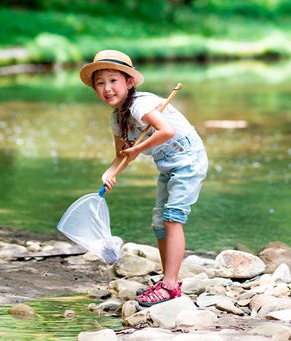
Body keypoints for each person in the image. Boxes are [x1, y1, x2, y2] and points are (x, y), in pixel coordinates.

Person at [79, 49, 208, 307]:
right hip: (168, 165)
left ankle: (170, 286)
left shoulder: (141, 105)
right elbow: (121, 156)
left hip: (189, 159)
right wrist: (110, 172)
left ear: (128, 82)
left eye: (113, 81)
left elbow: (167, 131)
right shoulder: (117, 118)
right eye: (100, 83)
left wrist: (138, 149)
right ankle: (166, 279)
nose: (107, 89)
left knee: (173, 217)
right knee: (160, 222)